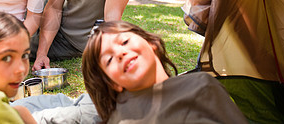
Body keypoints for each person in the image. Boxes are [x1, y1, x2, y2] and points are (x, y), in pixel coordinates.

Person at [82, 21, 249, 124]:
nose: (119, 53)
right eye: (109, 60)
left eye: (125, 41)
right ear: (113, 83)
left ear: (151, 43)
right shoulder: (117, 118)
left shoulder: (199, 86)